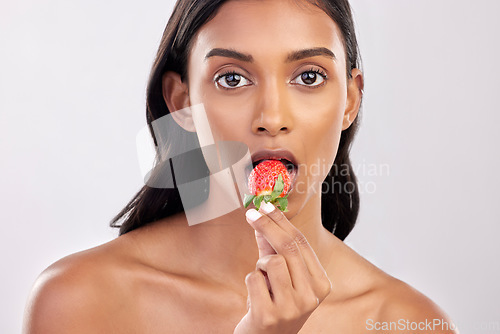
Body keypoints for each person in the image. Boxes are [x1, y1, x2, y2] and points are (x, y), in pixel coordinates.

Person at [23, 0, 458, 333]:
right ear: (181, 102)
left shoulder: (408, 321)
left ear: (350, 99)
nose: (271, 117)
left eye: (309, 77)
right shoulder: (79, 302)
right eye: (232, 78)